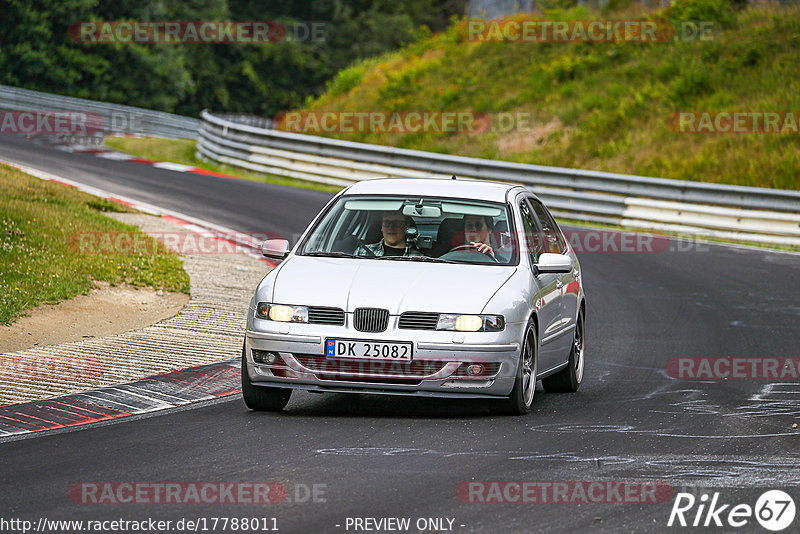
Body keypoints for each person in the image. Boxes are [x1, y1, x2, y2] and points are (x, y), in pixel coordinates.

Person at [355, 210, 424, 257]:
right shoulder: (362, 252)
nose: (391, 227)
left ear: (406, 227)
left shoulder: (419, 259)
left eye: (396, 223)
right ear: (381, 227)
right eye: (387, 223)